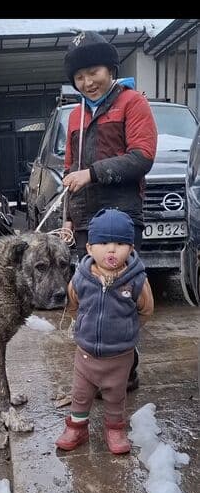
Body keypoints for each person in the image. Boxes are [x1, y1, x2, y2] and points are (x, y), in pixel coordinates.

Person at [62, 30, 158, 391]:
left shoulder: (132, 102)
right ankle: (94, 376)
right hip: (86, 221)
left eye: (94, 72)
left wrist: (93, 174)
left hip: (121, 219)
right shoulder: (76, 116)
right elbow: (72, 170)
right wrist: (68, 219)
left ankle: (124, 376)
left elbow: (142, 158)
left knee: (122, 298)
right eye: (79, 77)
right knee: (90, 300)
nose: (88, 82)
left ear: (110, 68)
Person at [55, 208, 154, 455]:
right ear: (89, 248)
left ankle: (114, 429)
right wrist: (85, 326)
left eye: (120, 243)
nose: (111, 249)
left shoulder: (136, 280)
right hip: (86, 353)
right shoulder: (81, 278)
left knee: (115, 396)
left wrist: (126, 330)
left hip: (119, 356)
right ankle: (77, 427)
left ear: (131, 248)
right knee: (80, 393)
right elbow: (74, 304)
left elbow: (146, 310)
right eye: (103, 243)